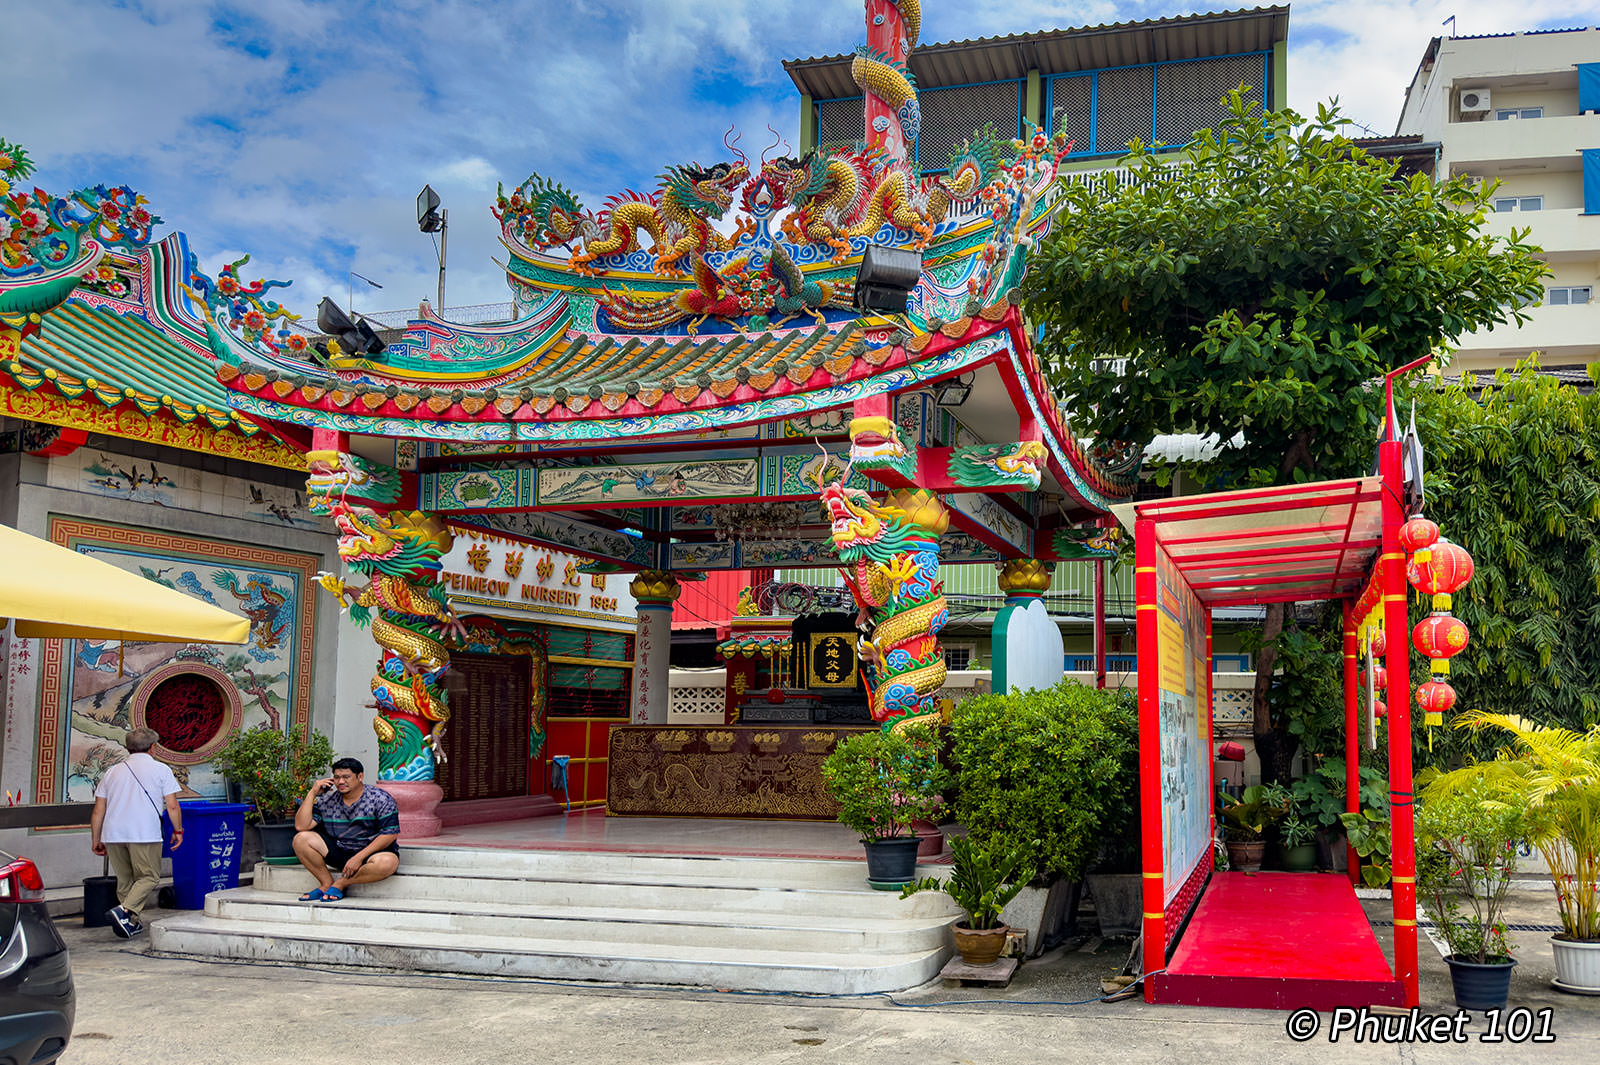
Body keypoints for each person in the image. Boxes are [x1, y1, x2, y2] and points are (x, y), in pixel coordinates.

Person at [89, 728, 183, 939]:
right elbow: (172, 806)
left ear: (127, 747)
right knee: (149, 877)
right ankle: (123, 911)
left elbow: (98, 810)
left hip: (113, 834)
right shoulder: (161, 769)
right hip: (144, 833)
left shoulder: (112, 771)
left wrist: (96, 838)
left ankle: (131, 923)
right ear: (153, 747)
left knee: (125, 881)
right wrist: (178, 830)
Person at [292, 757, 399, 901]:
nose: (341, 782)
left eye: (346, 777)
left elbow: (390, 834)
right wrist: (312, 793)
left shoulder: (380, 799)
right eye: (337, 777)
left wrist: (358, 857)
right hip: (340, 850)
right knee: (301, 839)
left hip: (370, 854)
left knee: (388, 862)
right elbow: (301, 826)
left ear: (360, 777)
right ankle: (326, 884)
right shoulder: (327, 800)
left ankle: (341, 883)